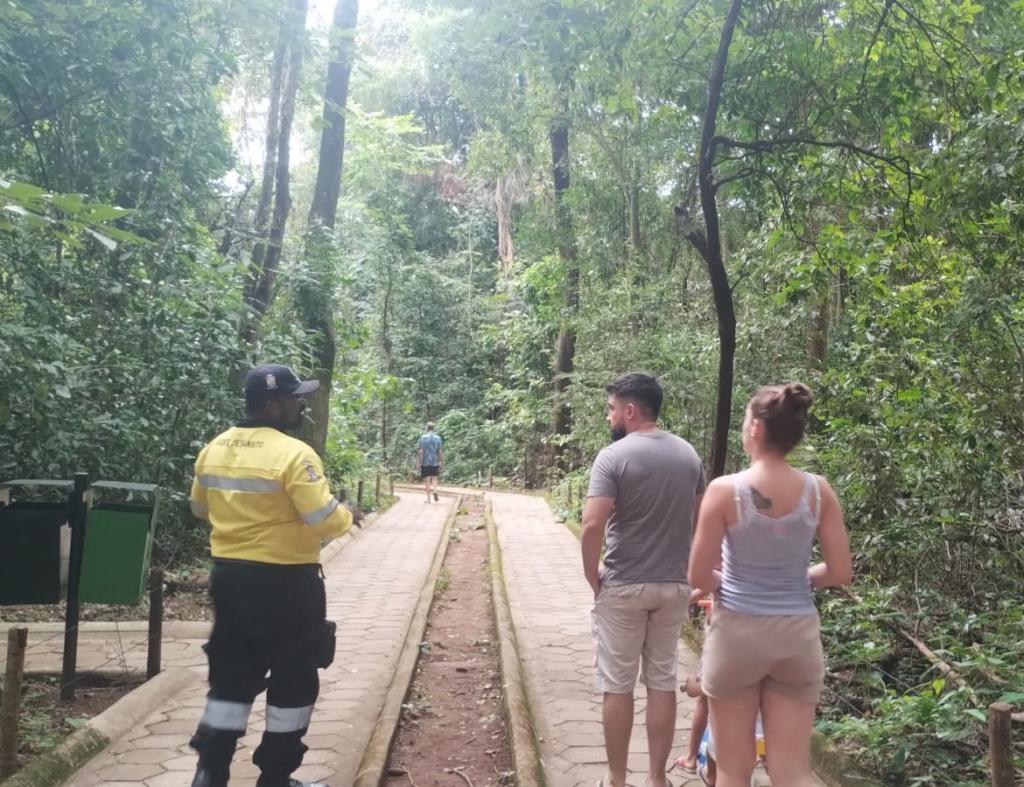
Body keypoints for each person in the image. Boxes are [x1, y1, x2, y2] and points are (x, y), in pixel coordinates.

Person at [188, 363, 361, 787]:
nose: (301, 402)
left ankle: (210, 772)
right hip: (287, 586)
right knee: (294, 676)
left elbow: (199, 509)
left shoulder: (214, 448)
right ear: (270, 405)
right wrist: (348, 514)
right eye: (293, 396)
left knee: (231, 674)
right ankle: (276, 777)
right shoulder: (293, 454)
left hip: (230, 581)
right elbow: (323, 518)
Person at [688, 383, 853, 787]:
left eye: (746, 420)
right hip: (797, 637)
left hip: (737, 636)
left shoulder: (726, 491)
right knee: (791, 771)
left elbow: (696, 575)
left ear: (757, 429)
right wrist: (799, 578)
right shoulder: (818, 492)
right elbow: (839, 572)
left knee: (732, 767)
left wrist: (730, 582)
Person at [581, 372, 706, 787]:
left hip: (624, 583)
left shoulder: (612, 457)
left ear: (630, 411)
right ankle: (657, 780)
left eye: (612, 408)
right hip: (673, 586)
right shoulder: (689, 455)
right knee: (662, 682)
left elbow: (592, 525)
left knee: (617, 686)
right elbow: (699, 524)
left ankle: (617, 780)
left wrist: (591, 577)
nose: (608, 416)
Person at [417, 422, 444, 502]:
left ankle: (428, 499)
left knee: (427, 479)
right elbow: (440, 451)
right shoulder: (438, 438)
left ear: (427, 428)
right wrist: (441, 461)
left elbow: (421, 451)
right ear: (433, 428)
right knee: (435, 477)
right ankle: (435, 491)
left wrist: (419, 462)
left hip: (425, 461)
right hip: (435, 461)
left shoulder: (423, 437)